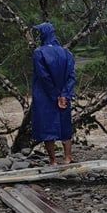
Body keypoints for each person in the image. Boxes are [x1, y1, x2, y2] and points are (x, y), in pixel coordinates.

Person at [31, 22, 76, 166]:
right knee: (65, 124)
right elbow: (71, 76)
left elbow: (44, 77)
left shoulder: (39, 52)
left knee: (47, 126)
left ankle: (53, 160)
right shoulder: (66, 53)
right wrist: (64, 95)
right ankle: (68, 157)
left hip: (45, 96)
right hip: (63, 95)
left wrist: (54, 95)